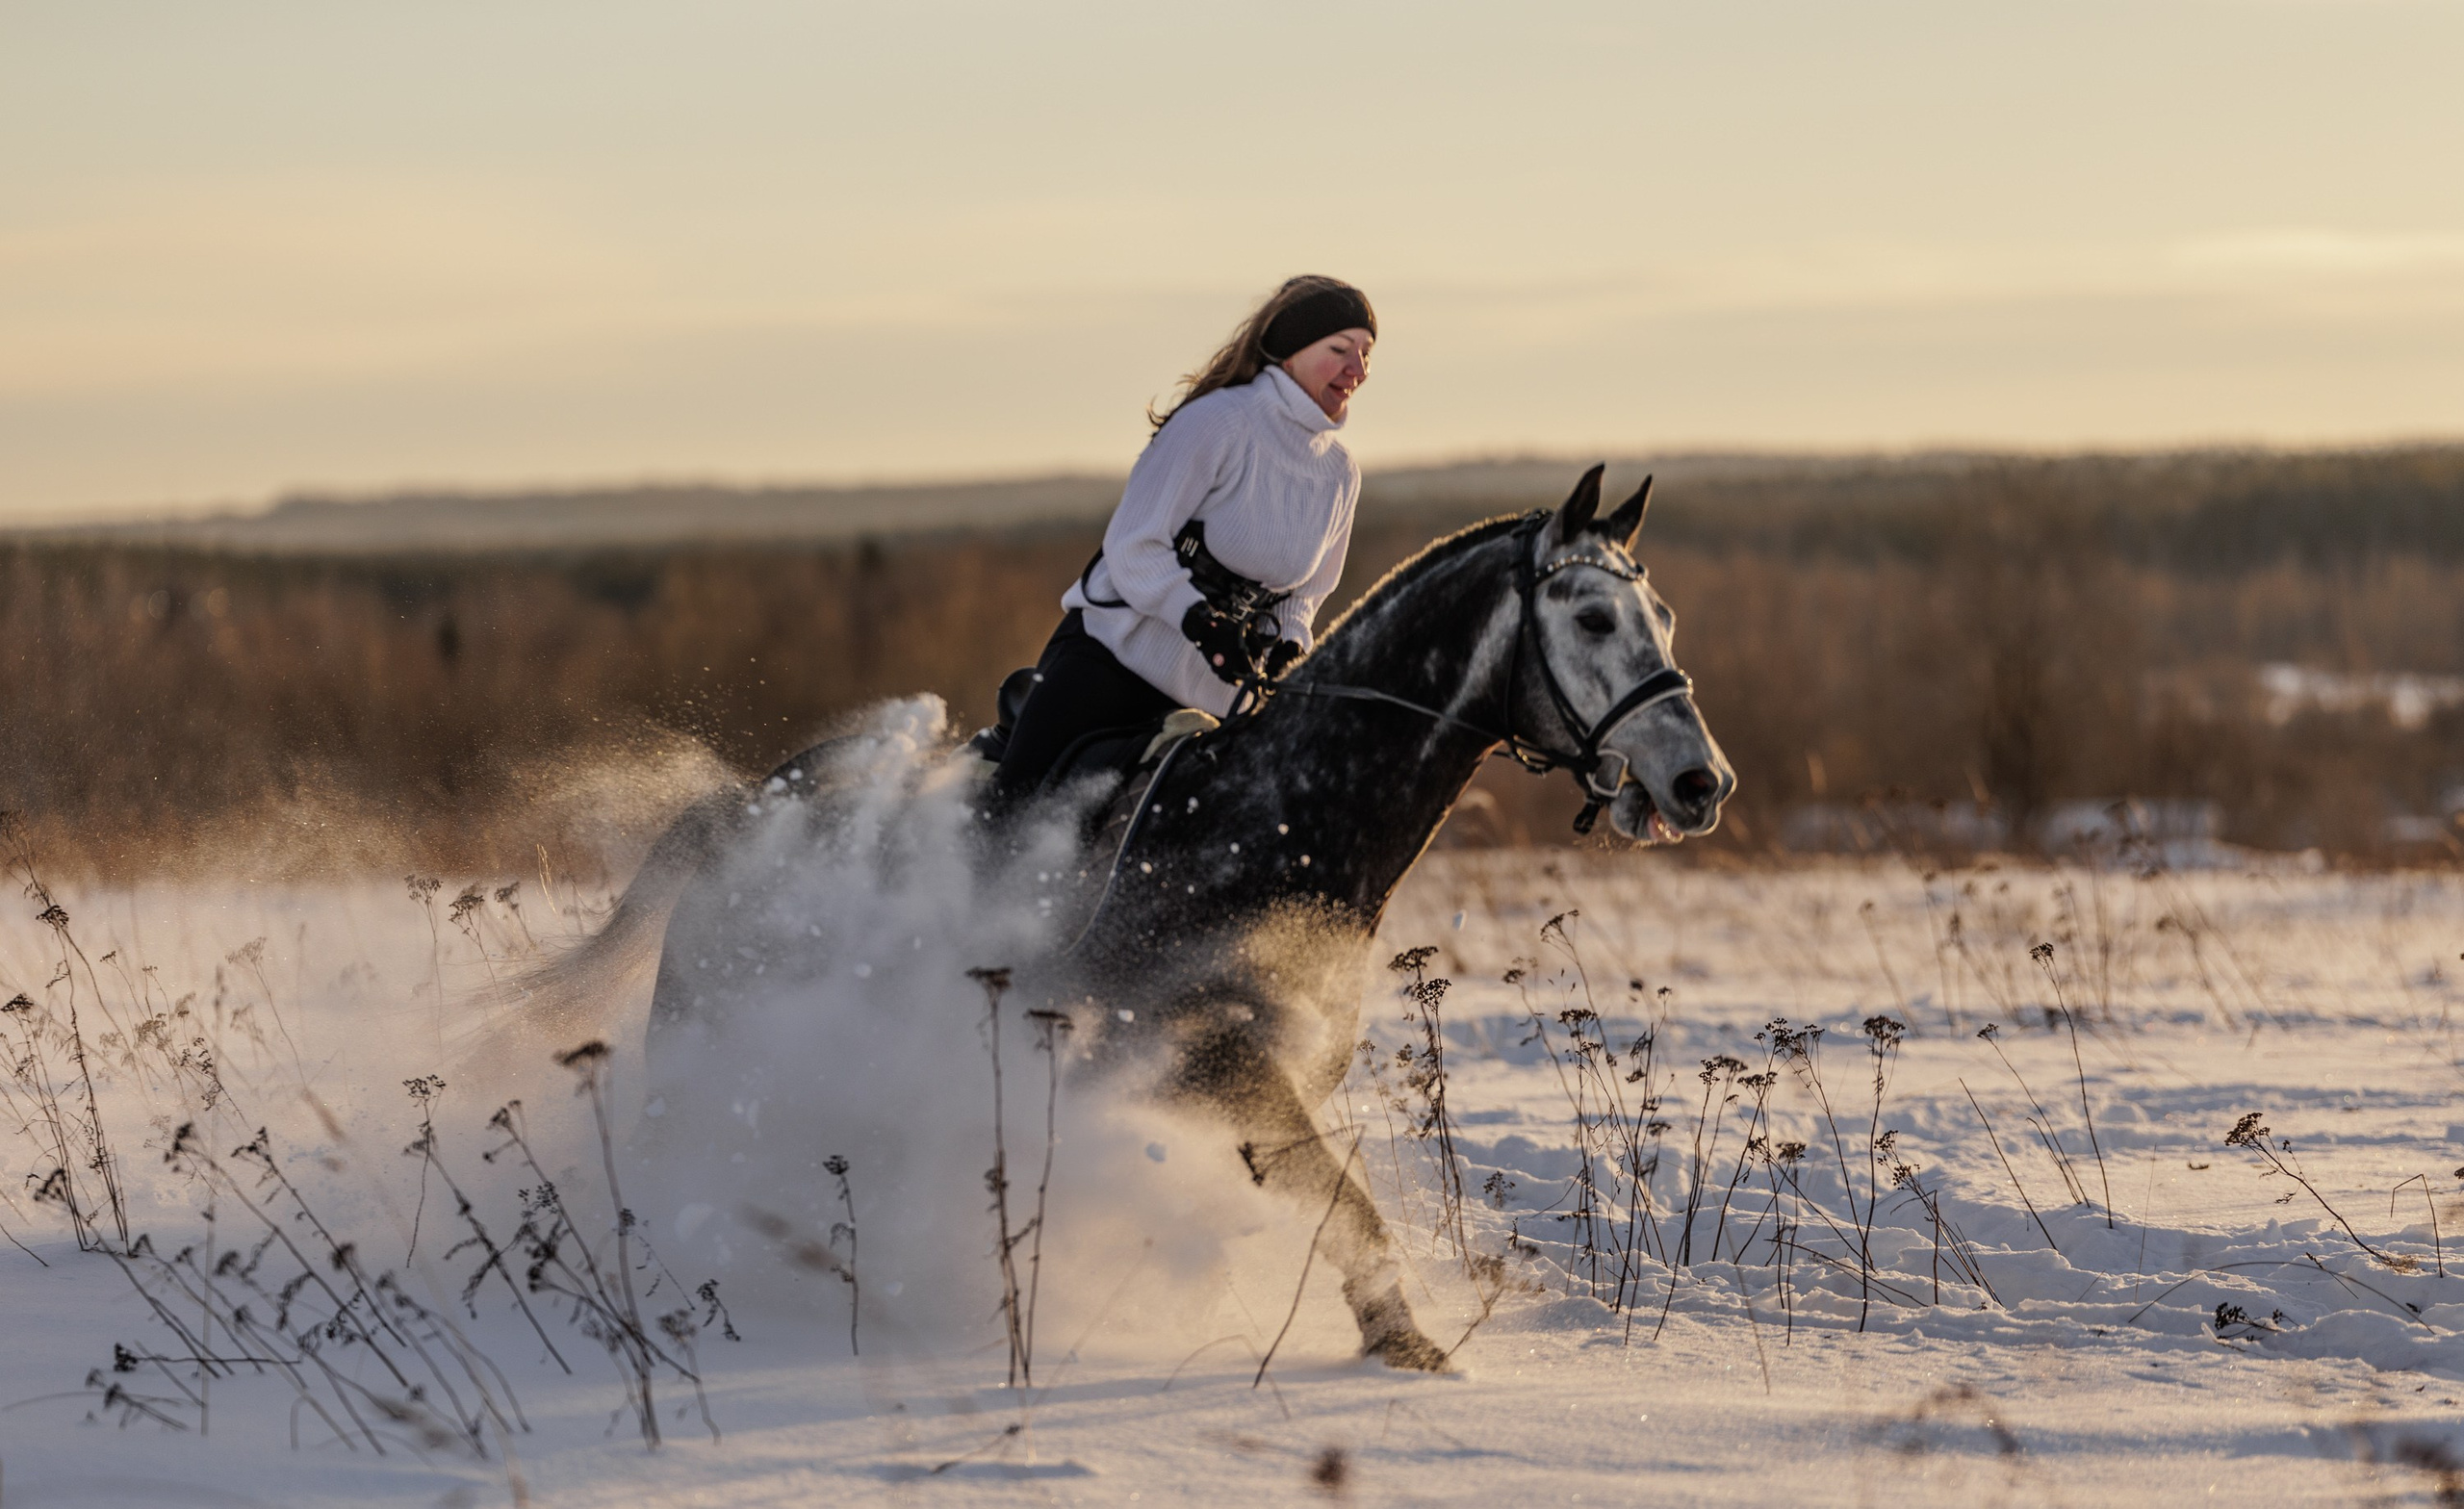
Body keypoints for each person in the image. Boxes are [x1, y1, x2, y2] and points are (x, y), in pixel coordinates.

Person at [989, 274, 1375, 802]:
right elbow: (1134, 545)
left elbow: (1305, 595)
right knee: (1010, 818)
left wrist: (1289, 648)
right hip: (1117, 658)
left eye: (1366, 353)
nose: (1358, 369)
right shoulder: (1217, 423)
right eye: (1340, 349)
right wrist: (1198, 621)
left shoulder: (1340, 473)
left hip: (1219, 702)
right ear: (1290, 352)